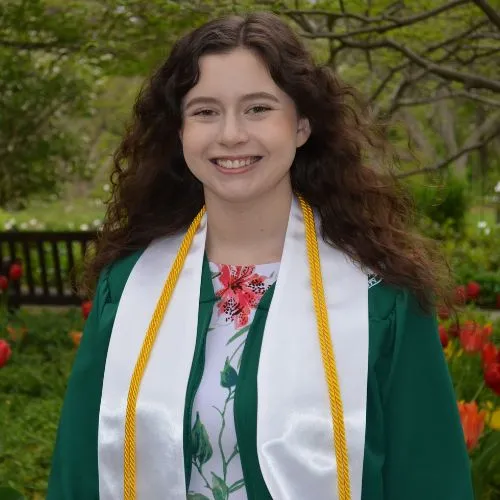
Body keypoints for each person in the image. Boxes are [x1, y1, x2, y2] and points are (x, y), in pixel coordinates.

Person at [47, 11, 473, 500]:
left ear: (302, 125)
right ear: (179, 132)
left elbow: (428, 479)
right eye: (205, 111)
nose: (230, 134)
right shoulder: (127, 289)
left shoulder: (380, 297)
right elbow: (78, 473)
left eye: (258, 108)